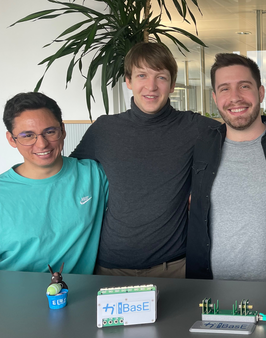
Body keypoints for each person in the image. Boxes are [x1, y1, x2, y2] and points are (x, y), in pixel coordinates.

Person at [70, 42, 220, 278]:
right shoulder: (105, 129)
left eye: (161, 77)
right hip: (110, 266)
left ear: (171, 85)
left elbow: (242, 130)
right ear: (128, 81)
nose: (151, 86)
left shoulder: (194, 127)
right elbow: (67, 175)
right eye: (142, 75)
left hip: (174, 267)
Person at [186, 53, 266, 284]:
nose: (235, 97)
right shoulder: (201, 147)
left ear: (261, 92)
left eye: (244, 86)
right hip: (209, 292)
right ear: (215, 98)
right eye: (224, 89)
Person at [0, 92, 108, 274]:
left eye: (50, 132)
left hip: (79, 295)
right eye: (28, 135)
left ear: (62, 131)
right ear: (12, 139)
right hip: (12, 296)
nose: (42, 144)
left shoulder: (93, 175)